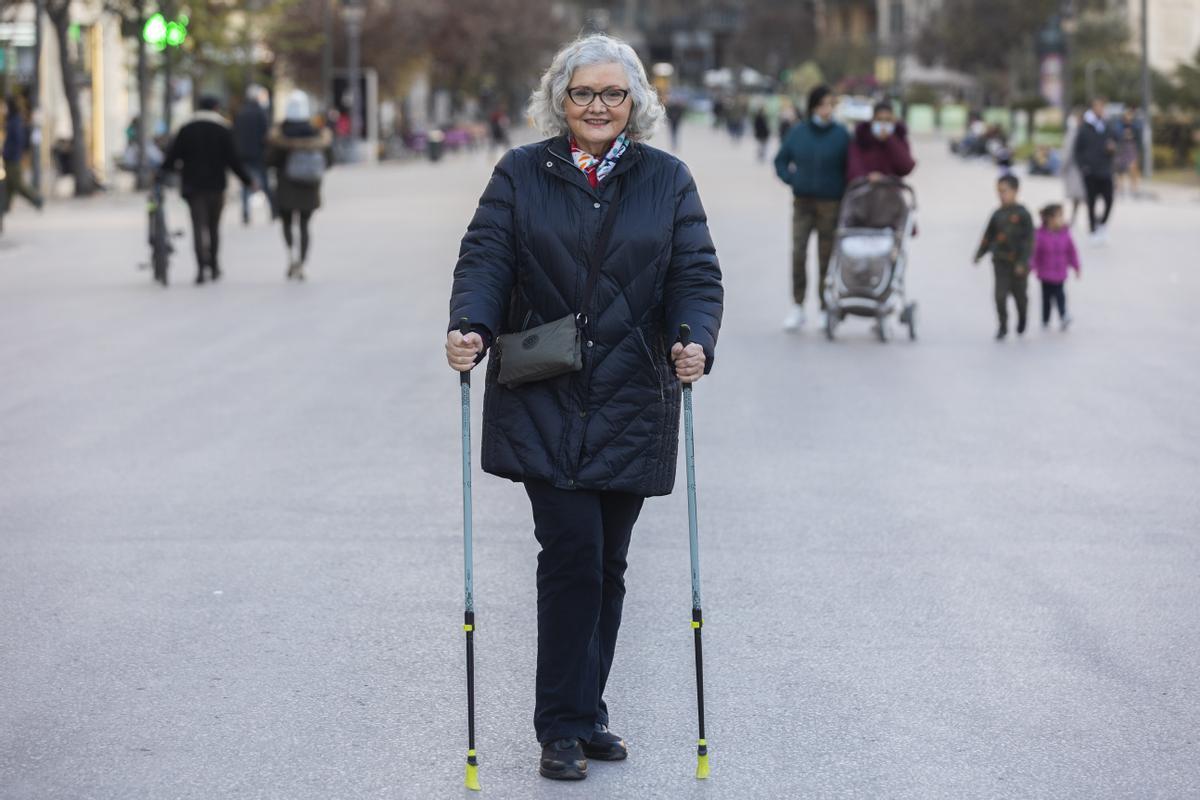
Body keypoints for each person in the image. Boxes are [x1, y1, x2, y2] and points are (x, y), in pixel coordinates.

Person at [444, 33, 723, 782]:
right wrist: (469, 323)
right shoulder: (520, 173)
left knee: (608, 561)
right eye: (583, 93)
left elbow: (695, 274)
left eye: (613, 94)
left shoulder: (667, 180)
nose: (598, 107)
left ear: (636, 104)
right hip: (544, 390)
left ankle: (587, 708)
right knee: (570, 555)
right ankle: (561, 725)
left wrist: (696, 339)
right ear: (559, 100)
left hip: (633, 392)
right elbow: (487, 259)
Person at [773, 85, 850, 332]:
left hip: (831, 205)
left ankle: (825, 308)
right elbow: (781, 160)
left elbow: (851, 166)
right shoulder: (799, 133)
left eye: (831, 104)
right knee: (799, 253)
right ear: (813, 106)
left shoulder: (842, 135)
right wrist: (792, 179)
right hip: (803, 203)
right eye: (823, 104)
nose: (827, 109)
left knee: (826, 258)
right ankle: (797, 306)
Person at [159, 95, 255, 285]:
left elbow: (173, 156)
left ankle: (201, 268)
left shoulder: (186, 129)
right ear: (216, 108)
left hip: (192, 186)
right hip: (216, 186)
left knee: (197, 226)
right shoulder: (223, 129)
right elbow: (233, 159)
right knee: (213, 227)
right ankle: (214, 265)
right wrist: (247, 180)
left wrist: (161, 173)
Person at [266, 91, 333, 281]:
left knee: (287, 223)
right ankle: (302, 263)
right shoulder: (317, 133)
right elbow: (329, 161)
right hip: (309, 186)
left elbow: (270, 160)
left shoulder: (280, 134)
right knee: (304, 225)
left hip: (286, 185)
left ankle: (291, 256)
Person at [974, 174, 1034, 340]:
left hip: (1018, 265)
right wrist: (979, 254)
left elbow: (1029, 240)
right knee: (999, 297)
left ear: (1016, 191)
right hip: (1000, 262)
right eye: (999, 191)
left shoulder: (1023, 214)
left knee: (1020, 297)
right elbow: (988, 236)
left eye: (1005, 191)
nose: (1001, 195)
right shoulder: (997, 214)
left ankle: (1022, 319)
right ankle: (1003, 326)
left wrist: (1023, 261)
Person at [1029, 203, 1081, 331]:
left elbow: (1072, 251)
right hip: (1045, 275)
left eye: (1062, 216)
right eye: (1059, 216)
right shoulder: (1040, 236)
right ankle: (1045, 319)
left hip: (1060, 274)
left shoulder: (1065, 234)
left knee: (1060, 296)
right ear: (1049, 219)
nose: (1062, 220)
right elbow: (1034, 254)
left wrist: (1076, 266)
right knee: (1046, 298)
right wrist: (1031, 266)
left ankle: (1063, 316)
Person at [1074, 97, 1118, 243]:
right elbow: (1077, 150)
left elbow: (1116, 141)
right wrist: (1083, 167)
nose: (1100, 110)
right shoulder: (1085, 127)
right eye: (1097, 107)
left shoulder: (1108, 125)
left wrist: (1113, 149)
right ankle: (1093, 229)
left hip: (1105, 169)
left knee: (1109, 199)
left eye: (1102, 107)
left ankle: (1102, 223)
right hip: (1090, 171)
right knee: (1091, 202)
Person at [234, 85, 275, 225]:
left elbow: (236, 134)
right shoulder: (261, 113)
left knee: (246, 184)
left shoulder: (241, 113)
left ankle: (246, 213)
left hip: (243, 154)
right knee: (264, 184)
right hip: (258, 154)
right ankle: (274, 211)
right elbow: (266, 135)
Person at [846, 100, 916, 183]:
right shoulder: (861, 139)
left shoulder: (899, 139)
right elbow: (853, 167)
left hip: (891, 191)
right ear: (872, 121)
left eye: (887, 120)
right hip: (864, 190)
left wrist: (890, 139)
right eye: (879, 120)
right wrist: (867, 177)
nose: (883, 125)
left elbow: (906, 167)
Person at [3, 96, 44, 212]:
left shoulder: (15, 121)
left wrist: (11, 153)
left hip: (13, 158)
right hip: (10, 157)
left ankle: (37, 199)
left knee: (17, 184)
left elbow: (17, 141)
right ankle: (4, 207)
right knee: (8, 185)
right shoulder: (12, 119)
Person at [1060, 108, 1087, 227]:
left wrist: (1063, 166)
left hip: (1076, 167)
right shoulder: (1084, 131)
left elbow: (1068, 151)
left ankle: (1081, 217)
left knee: (1079, 195)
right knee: (1081, 195)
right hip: (1083, 167)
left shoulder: (1075, 132)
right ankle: (1082, 217)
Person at [1115, 106, 1143, 199]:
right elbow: (1116, 135)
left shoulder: (1135, 125)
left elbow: (1139, 138)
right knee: (1120, 169)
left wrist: (1132, 135)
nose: (1128, 117)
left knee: (1133, 168)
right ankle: (1120, 188)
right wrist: (1124, 135)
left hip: (1131, 148)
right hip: (1121, 148)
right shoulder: (1119, 125)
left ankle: (1134, 188)